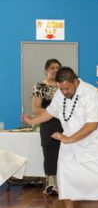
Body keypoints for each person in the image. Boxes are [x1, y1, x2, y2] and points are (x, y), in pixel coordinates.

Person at [22, 67, 98, 208]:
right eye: (61, 88)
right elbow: (50, 112)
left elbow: (92, 125)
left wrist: (69, 138)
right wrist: (33, 121)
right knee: (65, 179)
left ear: (75, 81)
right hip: (70, 142)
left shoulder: (92, 94)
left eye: (67, 88)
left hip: (95, 144)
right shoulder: (60, 93)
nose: (64, 92)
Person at [32, 59, 63, 195]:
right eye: (52, 68)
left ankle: (66, 183)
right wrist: (54, 114)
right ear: (46, 70)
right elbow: (35, 108)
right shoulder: (40, 86)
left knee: (67, 154)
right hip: (48, 125)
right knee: (50, 155)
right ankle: (51, 185)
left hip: (66, 126)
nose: (55, 70)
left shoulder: (64, 85)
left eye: (58, 68)